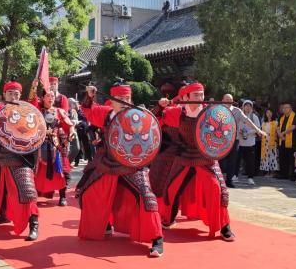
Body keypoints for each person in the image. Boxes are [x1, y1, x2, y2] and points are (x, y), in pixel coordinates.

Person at [76, 82, 164, 257]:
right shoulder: (106, 114)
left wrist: (161, 107)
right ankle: (105, 225)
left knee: (147, 198)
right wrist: (90, 95)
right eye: (120, 98)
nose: (124, 101)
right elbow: (87, 110)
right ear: (112, 101)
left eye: (127, 98)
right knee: (85, 192)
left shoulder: (139, 115)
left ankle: (157, 239)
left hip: (132, 165)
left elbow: (155, 125)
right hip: (107, 162)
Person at [153, 82, 234, 242]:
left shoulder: (211, 113)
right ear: (185, 97)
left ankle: (224, 227)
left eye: (202, 95)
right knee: (171, 188)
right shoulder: (178, 112)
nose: (200, 98)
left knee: (218, 188)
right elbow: (157, 119)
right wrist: (160, 106)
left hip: (206, 157)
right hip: (184, 155)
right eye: (196, 95)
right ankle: (168, 219)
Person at [0, 79, 40, 241]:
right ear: (4, 95)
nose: (13, 96)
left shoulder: (27, 110)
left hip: (21, 157)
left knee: (27, 192)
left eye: (16, 93)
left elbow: (38, 122)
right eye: (10, 93)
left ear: (20, 95)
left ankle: (33, 223)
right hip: (1, 157)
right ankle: (4, 214)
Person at [29, 80, 75, 206]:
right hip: (40, 144)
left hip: (56, 144)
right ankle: (32, 195)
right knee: (36, 171)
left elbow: (69, 124)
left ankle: (62, 196)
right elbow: (32, 100)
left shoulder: (59, 111)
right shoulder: (38, 109)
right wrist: (34, 86)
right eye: (48, 96)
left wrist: (71, 131)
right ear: (43, 97)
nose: (51, 98)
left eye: (53, 96)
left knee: (61, 171)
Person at [220, 94, 266, 187]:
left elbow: (247, 121)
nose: (228, 101)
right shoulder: (218, 110)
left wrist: (258, 130)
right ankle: (219, 179)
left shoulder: (237, 111)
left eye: (230, 100)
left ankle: (229, 180)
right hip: (221, 140)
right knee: (221, 160)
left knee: (232, 161)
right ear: (222, 100)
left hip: (234, 139)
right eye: (226, 99)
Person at [237, 100, 260, 185]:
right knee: (237, 160)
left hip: (250, 142)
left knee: (250, 161)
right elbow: (236, 126)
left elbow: (258, 128)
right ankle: (235, 175)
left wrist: (248, 132)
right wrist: (240, 131)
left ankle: (250, 178)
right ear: (243, 107)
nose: (248, 107)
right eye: (246, 106)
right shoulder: (239, 117)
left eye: (249, 106)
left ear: (252, 108)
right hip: (240, 142)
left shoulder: (254, 117)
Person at [277, 103, 296, 180]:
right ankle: (283, 174)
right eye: (283, 108)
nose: (284, 109)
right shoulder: (281, 117)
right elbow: (278, 127)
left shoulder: (295, 116)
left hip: (292, 141)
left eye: (287, 107)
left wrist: (283, 133)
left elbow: (293, 127)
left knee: (292, 159)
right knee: (283, 158)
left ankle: (292, 175)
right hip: (282, 141)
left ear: (291, 109)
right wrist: (280, 134)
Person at [260, 108, 279, 176]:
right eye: (267, 112)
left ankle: (273, 171)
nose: (269, 114)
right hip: (265, 142)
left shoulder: (276, 122)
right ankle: (266, 171)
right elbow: (261, 132)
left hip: (273, 141)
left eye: (270, 112)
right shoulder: (263, 123)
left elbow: (278, 132)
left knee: (273, 156)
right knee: (266, 156)